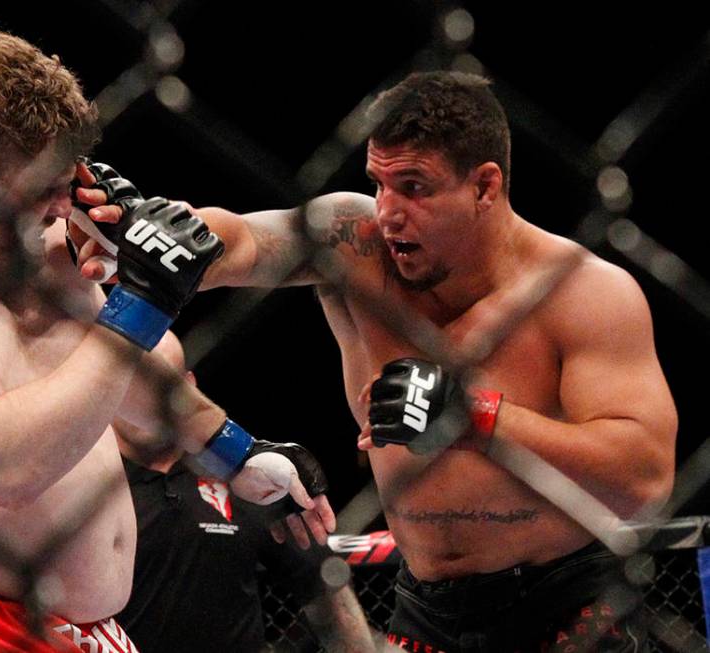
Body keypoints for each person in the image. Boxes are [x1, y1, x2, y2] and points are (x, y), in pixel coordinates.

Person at [71, 71, 678, 651]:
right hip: (427, 606)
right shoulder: (357, 244)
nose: (388, 211)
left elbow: (644, 477)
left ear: (485, 187)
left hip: (567, 602)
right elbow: (248, 242)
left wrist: (478, 417)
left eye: (414, 187)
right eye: (379, 183)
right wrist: (166, 232)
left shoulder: (583, 292)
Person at [0, 12, 335, 653]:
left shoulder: (33, 244)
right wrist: (142, 299)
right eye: (49, 186)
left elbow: (109, 379)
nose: (66, 202)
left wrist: (236, 453)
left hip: (90, 631)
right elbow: (4, 462)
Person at [112, 331, 375, 653]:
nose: (149, 401)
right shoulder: (77, 479)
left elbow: (323, 583)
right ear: (107, 388)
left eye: (165, 385)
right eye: (135, 383)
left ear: (189, 389)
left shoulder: (243, 475)